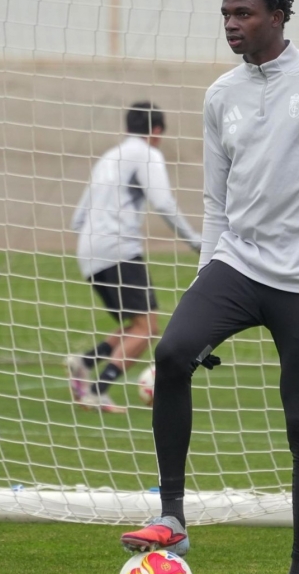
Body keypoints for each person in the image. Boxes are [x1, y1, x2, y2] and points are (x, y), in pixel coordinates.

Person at [120, 0, 299, 574]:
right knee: (173, 352)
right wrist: (207, 277)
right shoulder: (219, 95)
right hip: (236, 266)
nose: (231, 23)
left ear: (277, 15)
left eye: (244, 12)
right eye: (226, 13)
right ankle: (172, 517)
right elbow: (216, 201)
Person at [67, 102, 201, 414]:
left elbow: (77, 219)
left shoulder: (108, 157)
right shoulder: (147, 154)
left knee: (137, 323)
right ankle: (97, 390)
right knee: (148, 327)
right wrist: (194, 240)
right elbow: (163, 202)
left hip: (88, 252)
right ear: (157, 131)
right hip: (119, 248)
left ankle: (84, 361)